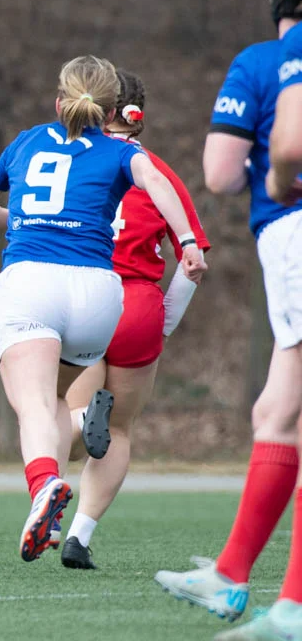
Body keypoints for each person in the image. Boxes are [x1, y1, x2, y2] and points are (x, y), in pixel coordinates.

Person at [0, 55, 206, 564]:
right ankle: (80, 533)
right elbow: (165, 203)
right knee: (111, 427)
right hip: (112, 299)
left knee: (40, 407)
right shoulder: (128, 158)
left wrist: (23, 222)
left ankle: (46, 482)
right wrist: (182, 250)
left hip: (39, 281)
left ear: (62, 101)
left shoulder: (28, 141)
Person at [155, 0, 302, 637]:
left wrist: (275, 177)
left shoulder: (272, 57)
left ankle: (293, 610)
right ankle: (233, 576)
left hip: (292, 232)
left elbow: (220, 173)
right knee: (275, 411)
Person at [58, 69, 210, 570]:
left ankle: (79, 424)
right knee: (119, 432)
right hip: (138, 304)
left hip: (84, 294)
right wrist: (162, 324)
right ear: (138, 116)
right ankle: (80, 534)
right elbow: (192, 263)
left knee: (68, 424)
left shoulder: (67, 159)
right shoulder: (156, 171)